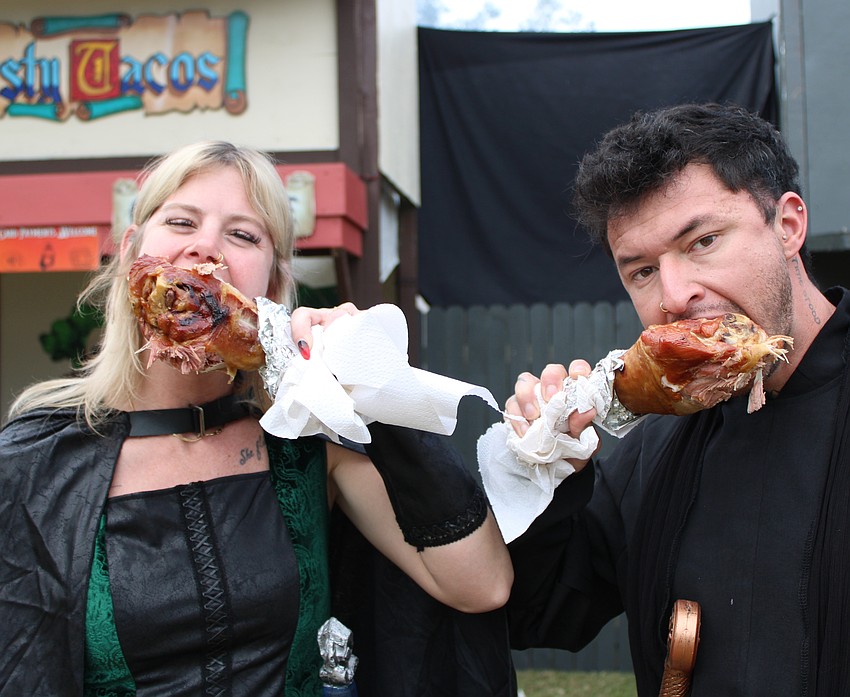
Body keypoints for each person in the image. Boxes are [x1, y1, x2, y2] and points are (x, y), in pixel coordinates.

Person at [0, 140, 515, 696]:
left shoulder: (305, 450)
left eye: (243, 235)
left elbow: (481, 584)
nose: (205, 248)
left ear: (270, 285)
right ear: (131, 253)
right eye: (180, 221)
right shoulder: (34, 461)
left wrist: (368, 377)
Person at [497, 102, 850, 696]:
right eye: (640, 271)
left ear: (787, 226)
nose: (675, 296)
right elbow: (538, 612)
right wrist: (548, 470)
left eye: (704, 241)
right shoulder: (656, 445)